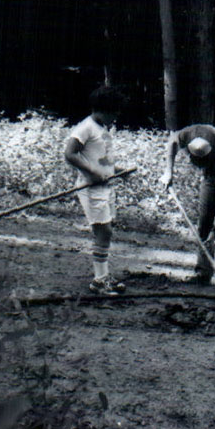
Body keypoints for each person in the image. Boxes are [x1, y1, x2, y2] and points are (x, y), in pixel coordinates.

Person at [160, 125, 215, 296]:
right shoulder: (188, 135)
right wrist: (168, 172)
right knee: (204, 220)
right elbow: (172, 142)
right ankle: (203, 272)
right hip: (213, 171)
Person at [64, 85, 127, 295]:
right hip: (90, 188)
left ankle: (103, 276)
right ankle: (100, 281)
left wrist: (117, 170)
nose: (117, 116)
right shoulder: (86, 127)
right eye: (115, 112)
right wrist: (92, 172)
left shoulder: (103, 129)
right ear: (105, 109)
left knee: (106, 232)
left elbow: (102, 159)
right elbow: (70, 154)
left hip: (105, 187)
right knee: (104, 231)